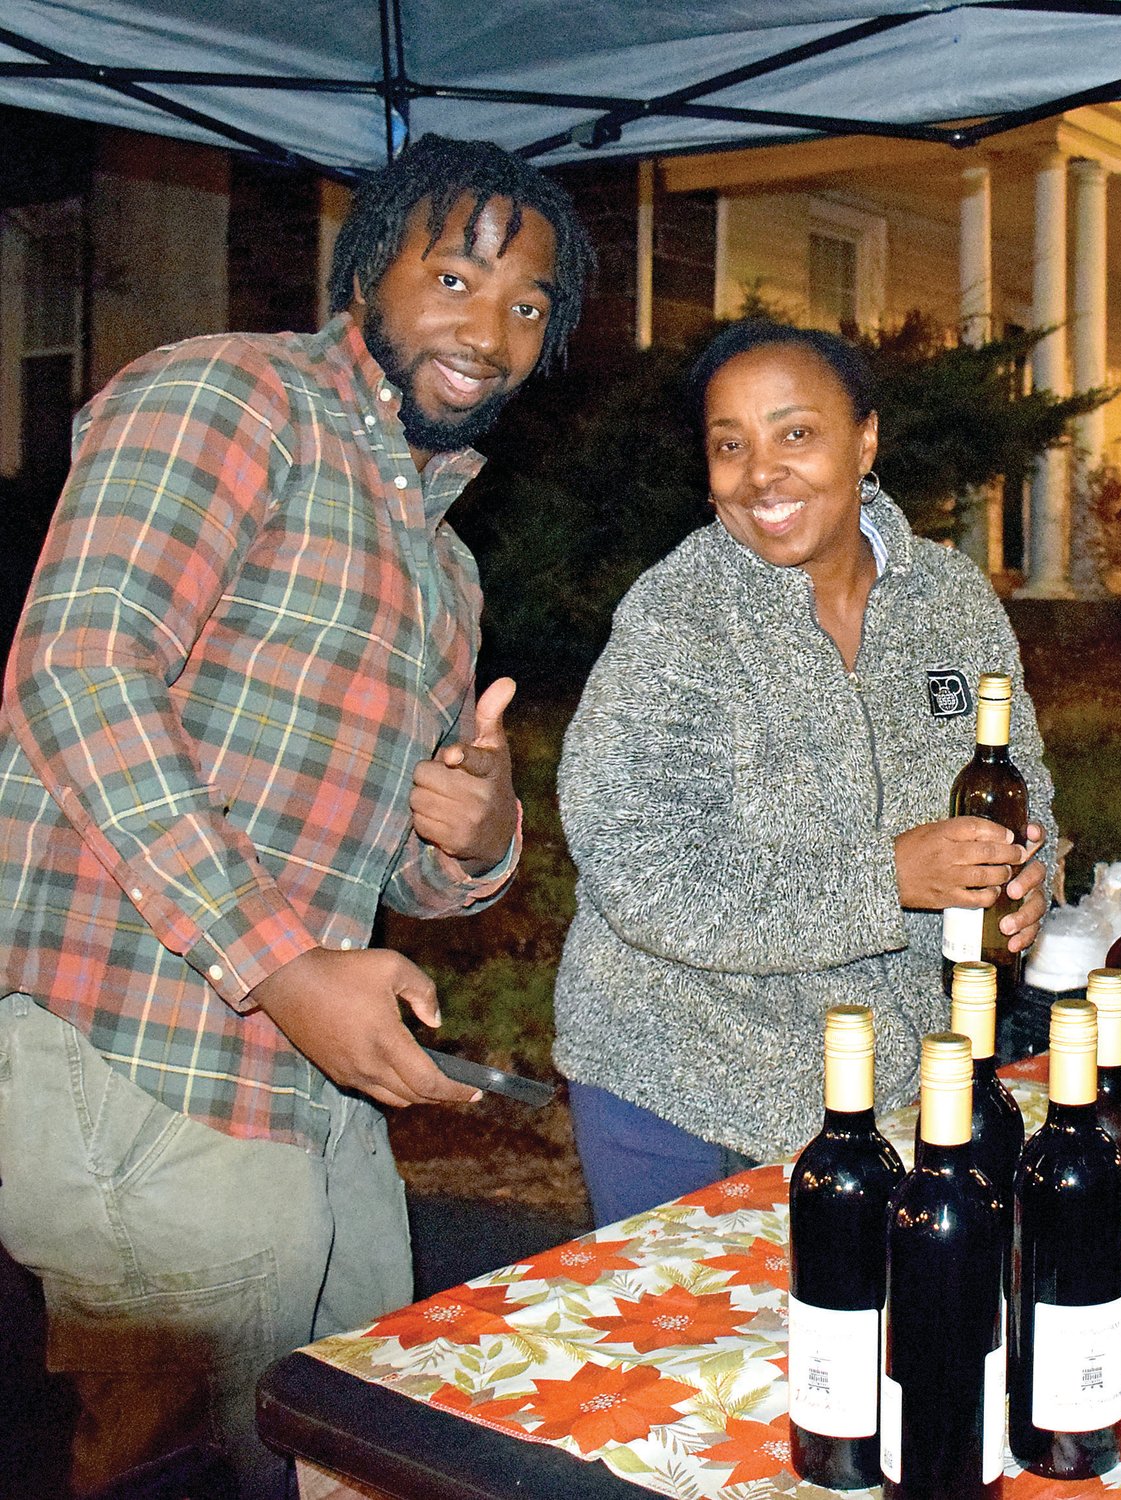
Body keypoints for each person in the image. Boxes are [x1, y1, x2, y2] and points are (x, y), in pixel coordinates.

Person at [0, 133, 592, 1498]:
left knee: (357, 1440)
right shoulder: (231, 395)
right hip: (135, 1055)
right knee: (184, 1467)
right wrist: (275, 961)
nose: (491, 332)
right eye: (456, 273)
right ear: (366, 268)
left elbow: (411, 875)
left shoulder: (441, 561)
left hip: (305, 1085)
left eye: (528, 309)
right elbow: (77, 667)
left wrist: (479, 829)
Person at [553, 318, 1053, 1227]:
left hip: (889, 1079)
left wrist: (1025, 875)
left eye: (795, 434)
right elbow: (637, 867)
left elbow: (1021, 779)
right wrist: (888, 879)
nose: (761, 474)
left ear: (865, 440)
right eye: (729, 445)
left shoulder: (949, 600)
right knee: (690, 1358)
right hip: (681, 1082)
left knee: (863, 1350)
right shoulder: (679, 617)